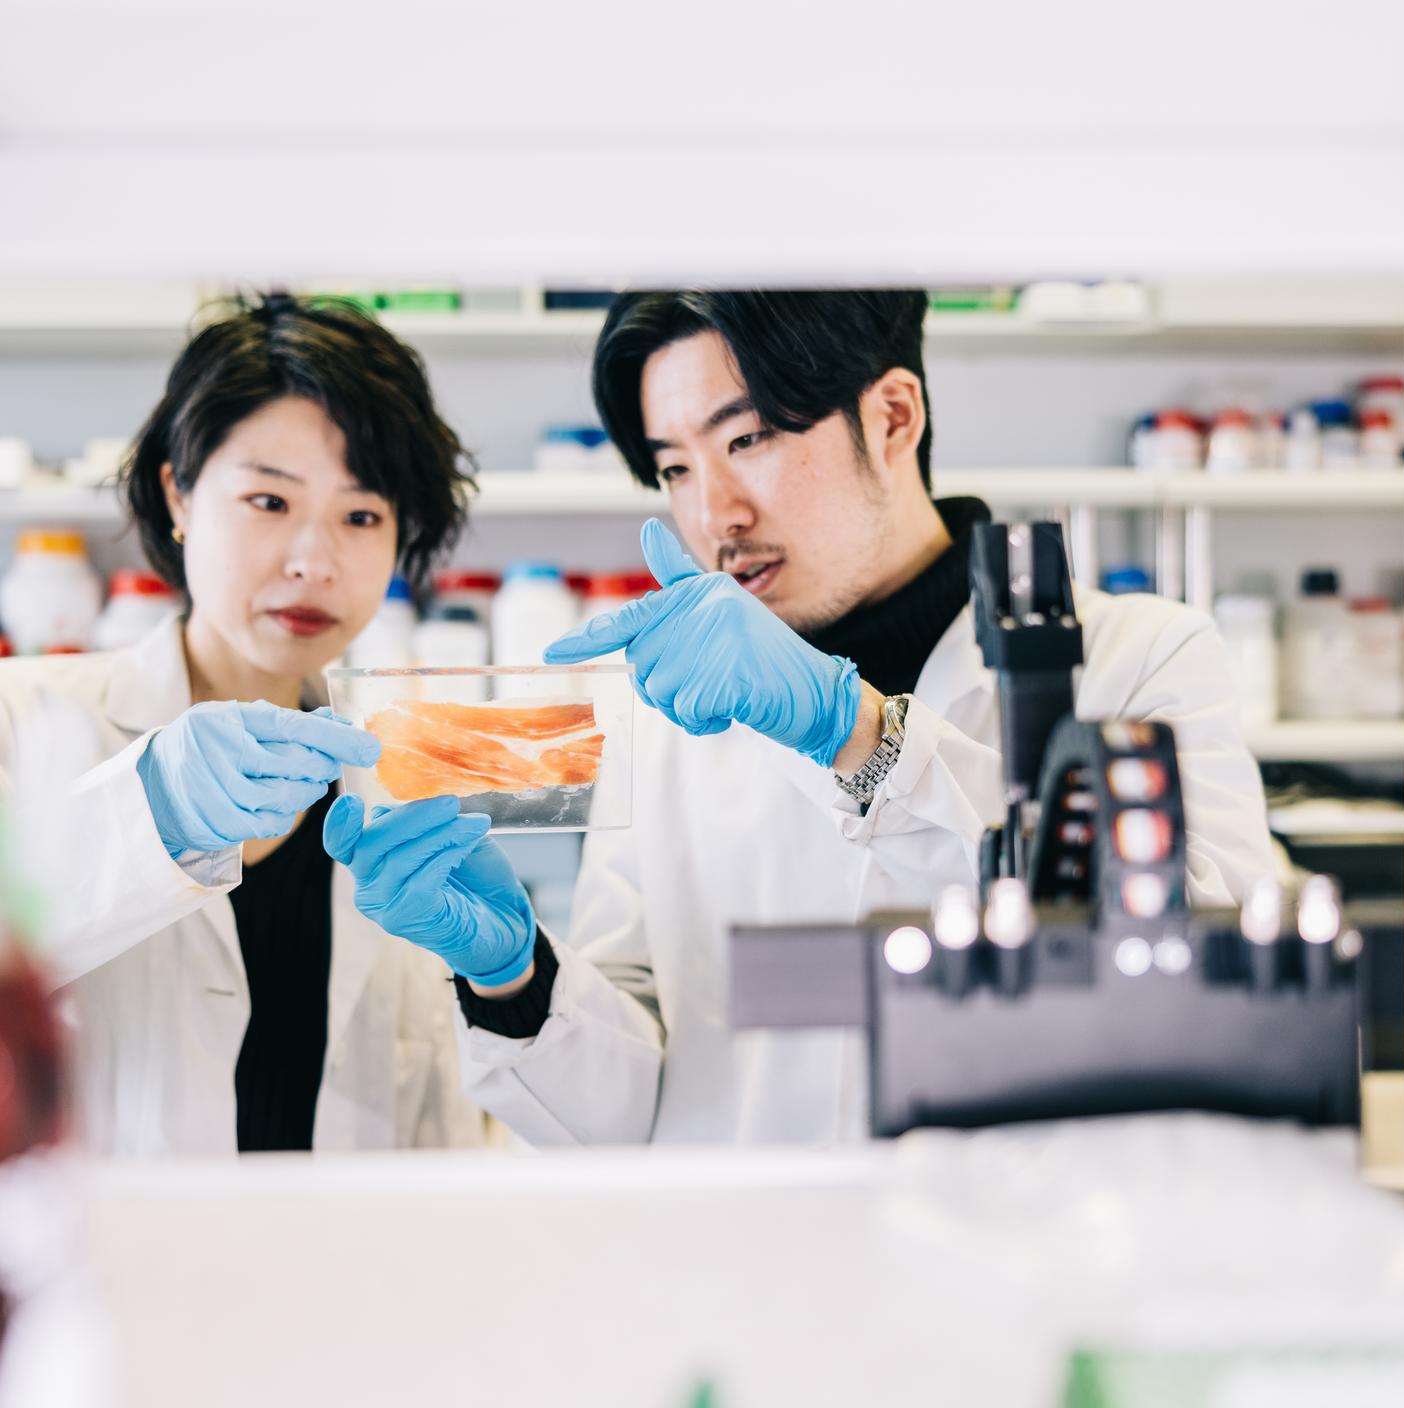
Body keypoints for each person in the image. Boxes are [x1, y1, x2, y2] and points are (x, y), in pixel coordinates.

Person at [325, 289, 1278, 1145]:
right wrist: (516, 979)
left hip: (1020, 1271)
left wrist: (863, 737)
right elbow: (633, 1106)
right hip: (756, 1281)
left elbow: (1233, 997)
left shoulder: (1138, 660)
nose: (715, 515)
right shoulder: (671, 722)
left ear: (892, 414)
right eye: (674, 469)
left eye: (747, 441)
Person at [0, 293, 486, 1156]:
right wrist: (156, 814)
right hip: (102, 1279)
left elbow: (434, 1127)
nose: (314, 560)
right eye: (270, 501)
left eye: (362, 516)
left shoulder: (401, 775)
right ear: (178, 495)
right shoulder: (21, 718)